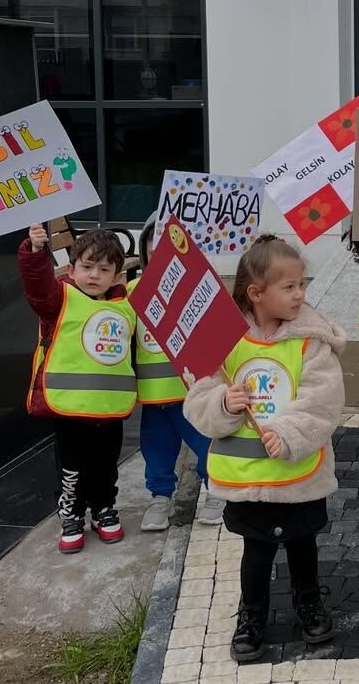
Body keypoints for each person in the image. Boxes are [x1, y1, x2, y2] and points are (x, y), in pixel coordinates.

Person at [183, 235, 346, 664]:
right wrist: (223, 403)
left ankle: (308, 602)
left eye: (301, 285)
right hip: (246, 478)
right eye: (289, 287)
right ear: (256, 293)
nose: (300, 294)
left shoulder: (311, 340)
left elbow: (323, 400)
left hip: (298, 473)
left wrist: (289, 434)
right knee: (255, 551)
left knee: (302, 544)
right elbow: (199, 396)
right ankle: (251, 613)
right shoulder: (223, 340)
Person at [21, 222, 136, 554]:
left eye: (104, 269)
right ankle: (71, 515)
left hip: (109, 409)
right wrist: (35, 251)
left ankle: (103, 509)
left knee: (105, 465)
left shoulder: (125, 305)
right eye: (86, 267)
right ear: (71, 269)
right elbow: (37, 287)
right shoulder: (59, 299)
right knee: (71, 467)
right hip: (70, 409)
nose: (94, 275)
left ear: (117, 275)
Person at [131, 218, 220, 531]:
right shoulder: (132, 292)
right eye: (154, 253)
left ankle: (217, 490)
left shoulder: (198, 289)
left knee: (207, 441)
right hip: (154, 396)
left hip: (193, 392)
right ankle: (160, 498)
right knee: (156, 447)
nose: (160, 261)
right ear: (144, 253)